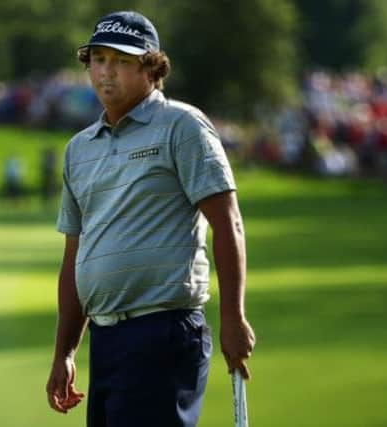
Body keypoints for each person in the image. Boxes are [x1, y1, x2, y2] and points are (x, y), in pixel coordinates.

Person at [46, 10, 256, 427]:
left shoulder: (182, 126)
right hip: (105, 341)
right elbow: (75, 255)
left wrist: (233, 315)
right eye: (99, 59)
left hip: (163, 333)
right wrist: (65, 353)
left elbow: (227, 221)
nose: (107, 72)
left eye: (122, 61)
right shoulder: (79, 149)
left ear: (151, 67)